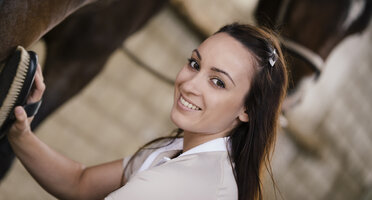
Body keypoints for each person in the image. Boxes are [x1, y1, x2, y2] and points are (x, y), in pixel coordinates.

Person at [8, 23, 288, 200]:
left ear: (247, 110)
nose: (189, 84)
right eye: (194, 64)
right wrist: (20, 131)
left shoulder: (190, 182)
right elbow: (79, 183)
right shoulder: (179, 149)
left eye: (218, 82)